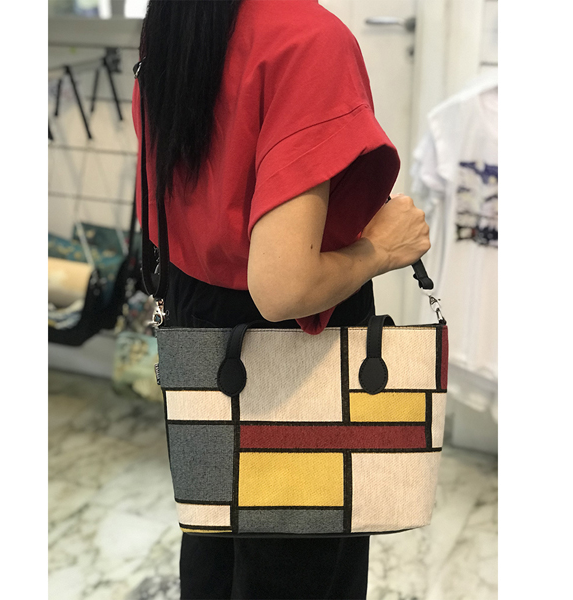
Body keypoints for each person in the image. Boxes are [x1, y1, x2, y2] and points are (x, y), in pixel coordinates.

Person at [132, 1, 430, 598]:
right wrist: (380, 248)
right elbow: (285, 288)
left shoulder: (181, 20)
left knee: (215, 539)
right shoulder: (308, 41)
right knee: (299, 571)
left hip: (196, 327)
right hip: (296, 354)